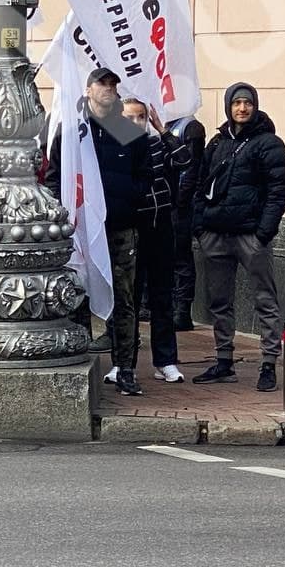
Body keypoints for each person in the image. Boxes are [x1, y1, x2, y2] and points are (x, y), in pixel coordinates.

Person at [45, 68, 152, 396]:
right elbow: (54, 176)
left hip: (119, 227)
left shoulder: (129, 132)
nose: (107, 89)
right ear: (88, 89)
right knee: (77, 295)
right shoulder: (72, 132)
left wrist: (127, 199)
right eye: (101, 83)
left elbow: (145, 176)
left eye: (112, 84)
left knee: (124, 298)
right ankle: (79, 361)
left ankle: (125, 368)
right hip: (80, 231)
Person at [192, 83, 285, 391]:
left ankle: (268, 364)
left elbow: (279, 192)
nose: (242, 108)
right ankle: (224, 361)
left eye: (247, 102)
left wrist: (263, 232)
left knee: (265, 300)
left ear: (255, 106)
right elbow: (200, 183)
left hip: (251, 236)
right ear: (229, 107)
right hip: (216, 234)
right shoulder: (217, 142)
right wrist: (200, 225)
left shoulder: (269, 144)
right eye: (236, 103)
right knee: (219, 302)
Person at [122, 98, 191, 384]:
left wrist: (162, 130)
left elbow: (184, 159)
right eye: (129, 118)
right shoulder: (114, 147)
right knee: (128, 297)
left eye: (140, 117)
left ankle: (165, 361)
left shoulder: (156, 143)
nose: (135, 123)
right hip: (130, 226)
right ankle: (124, 362)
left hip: (160, 224)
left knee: (162, 295)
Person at [167, 112, 207, 330]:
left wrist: (179, 201)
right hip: (162, 203)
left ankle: (182, 310)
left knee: (180, 258)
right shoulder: (157, 122)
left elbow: (191, 170)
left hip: (180, 207)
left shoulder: (190, 127)